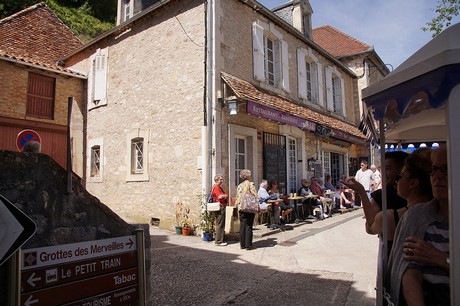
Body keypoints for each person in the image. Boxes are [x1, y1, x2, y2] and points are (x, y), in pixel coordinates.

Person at [388, 145, 450, 305]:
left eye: (446, 168)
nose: (437, 175)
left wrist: (442, 259)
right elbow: (409, 271)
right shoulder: (416, 217)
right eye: (434, 169)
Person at [235, 169, 259, 250]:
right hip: (249, 207)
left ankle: (242, 244)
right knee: (249, 225)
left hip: (241, 207)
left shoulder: (239, 185)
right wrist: (258, 207)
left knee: (242, 226)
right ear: (248, 176)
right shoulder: (251, 184)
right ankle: (248, 245)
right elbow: (255, 196)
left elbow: (238, 197)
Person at [210, 174, 228, 246]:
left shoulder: (217, 187)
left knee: (219, 223)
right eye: (221, 179)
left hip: (220, 206)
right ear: (217, 180)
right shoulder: (216, 187)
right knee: (220, 224)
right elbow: (220, 197)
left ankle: (218, 239)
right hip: (220, 207)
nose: (222, 180)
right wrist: (225, 195)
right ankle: (219, 241)